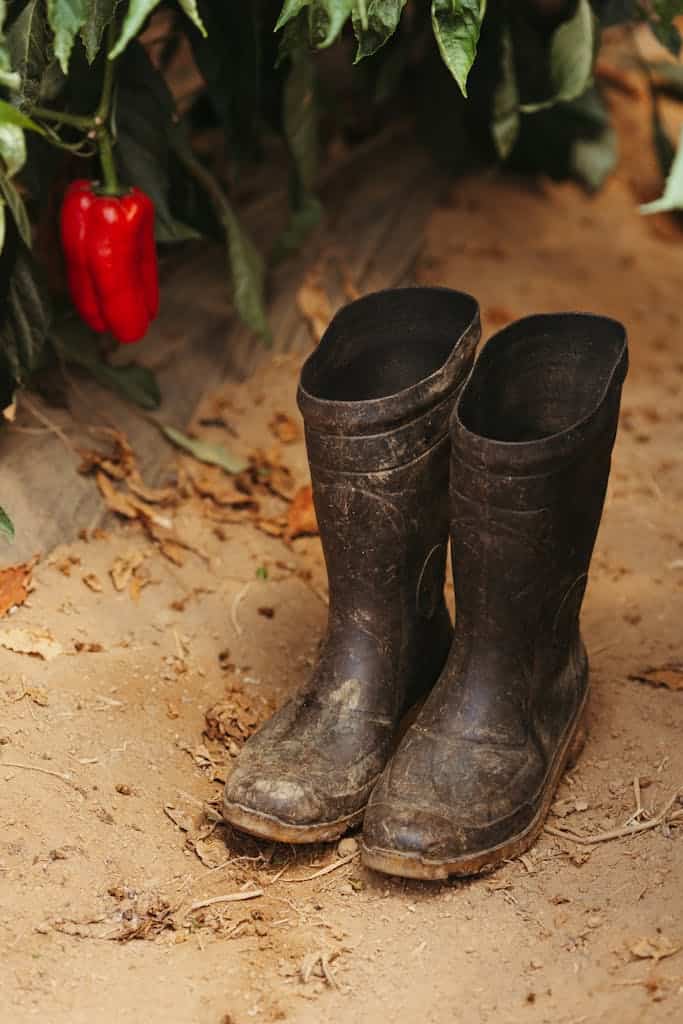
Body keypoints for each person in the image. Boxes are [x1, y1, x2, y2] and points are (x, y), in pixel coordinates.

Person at [222, 287, 628, 880]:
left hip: (524, 681)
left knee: (510, 451)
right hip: (379, 651)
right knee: (362, 401)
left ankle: (539, 682)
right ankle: (404, 651)